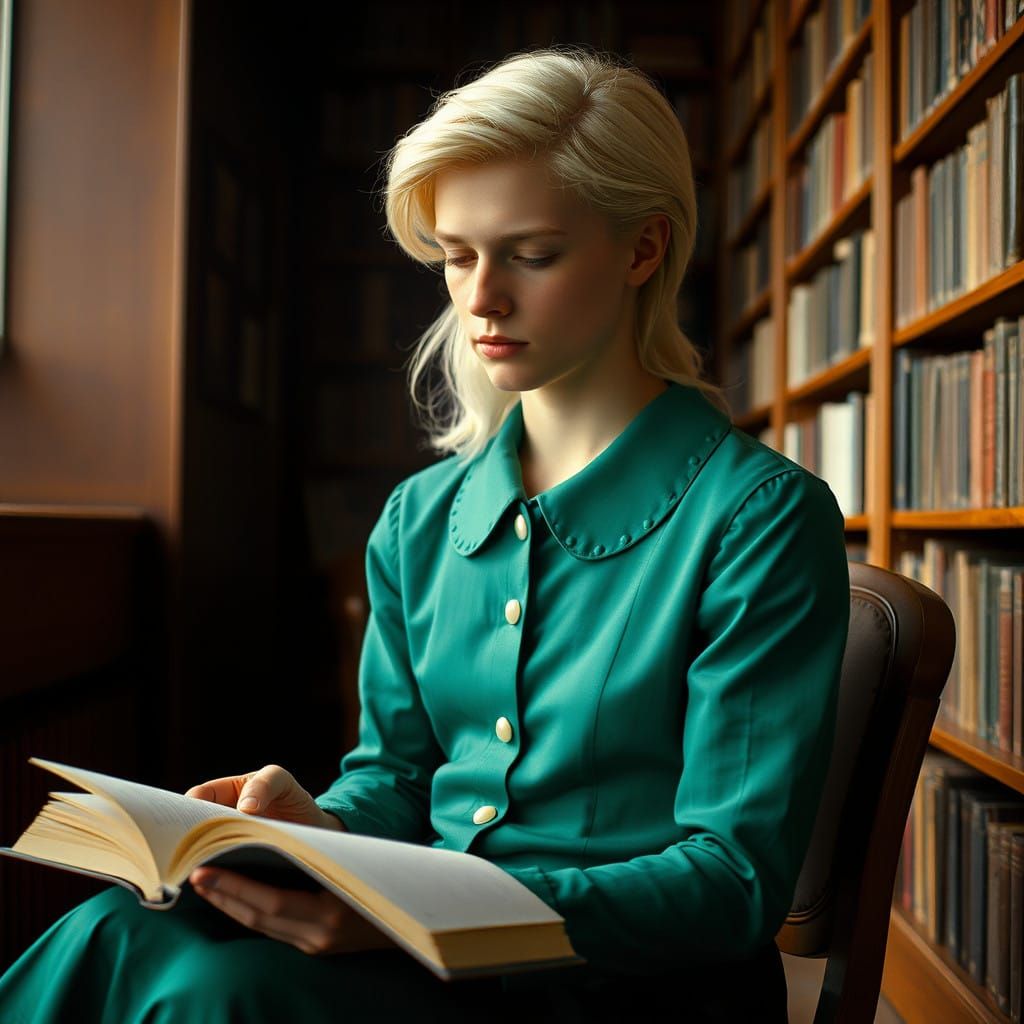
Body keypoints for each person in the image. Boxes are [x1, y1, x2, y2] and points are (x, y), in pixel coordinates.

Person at [0, 45, 850, 1022]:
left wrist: (421, 914)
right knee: (111, 928)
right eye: (456, 255)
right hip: (415, 948)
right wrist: (315, 830)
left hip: (627, 987)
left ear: (643, 249)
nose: (481, 297)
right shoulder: (419, 518)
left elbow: (732, 881)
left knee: (211, 993)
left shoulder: (759, 518)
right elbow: (395, 777)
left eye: (531, 254)